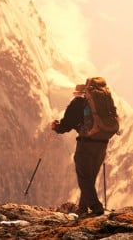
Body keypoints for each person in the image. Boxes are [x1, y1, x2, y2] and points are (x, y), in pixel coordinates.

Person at [51, 82, 107, 217]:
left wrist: (56, 127)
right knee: (90, 177)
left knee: (84, 176)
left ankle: (96, 207)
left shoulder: (76, 103)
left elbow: (65, 126)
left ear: (77, 93)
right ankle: (83, 207)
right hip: (102, 144)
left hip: (86, 144)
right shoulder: (102, 104)